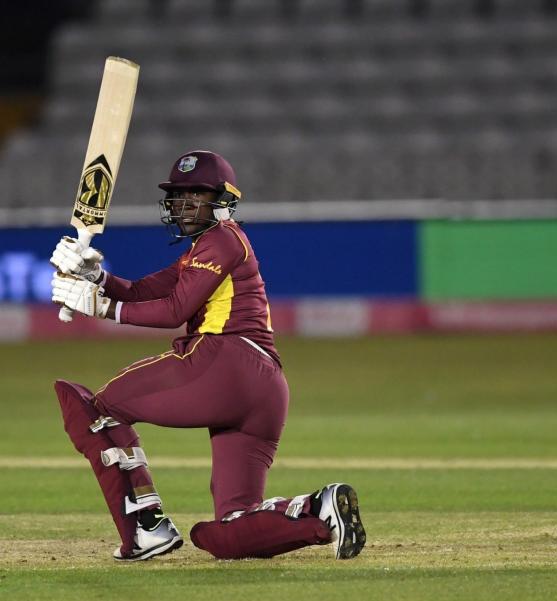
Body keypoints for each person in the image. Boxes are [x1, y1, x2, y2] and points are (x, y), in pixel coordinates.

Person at [49, 150, 366, 561]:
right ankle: (318, 512)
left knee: (96, 409)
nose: (183, 203)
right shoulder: (209, 245)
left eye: (195, 194)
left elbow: (174, 311)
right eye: (178, 195)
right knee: (227, 532)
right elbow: (146, 291)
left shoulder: (221, 240)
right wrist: (98, 278)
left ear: (223, 199)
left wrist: (101, 307)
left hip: (225, 362)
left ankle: (146, 528)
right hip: (265, 390)